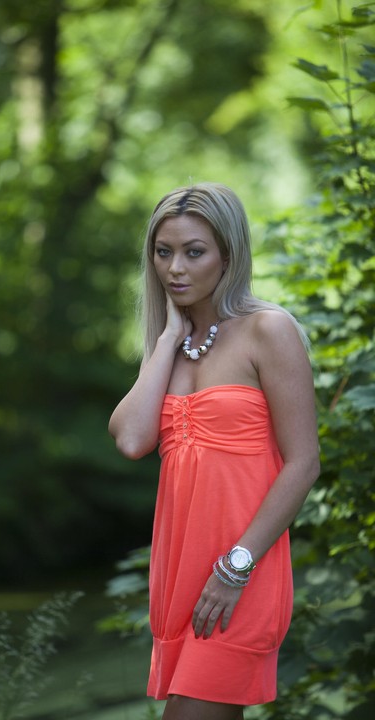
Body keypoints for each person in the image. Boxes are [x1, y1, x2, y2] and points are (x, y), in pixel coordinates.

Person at [108, 182, 319, 720]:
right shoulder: (170, 351)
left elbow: (303, 464)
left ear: (229, 254)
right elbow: (133, 439)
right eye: (164, 252)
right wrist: (163, 342)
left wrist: (236, 567)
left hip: (238, 575)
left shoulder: (267, 332)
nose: (175, 268)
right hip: (181, 579)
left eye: (193, 252)